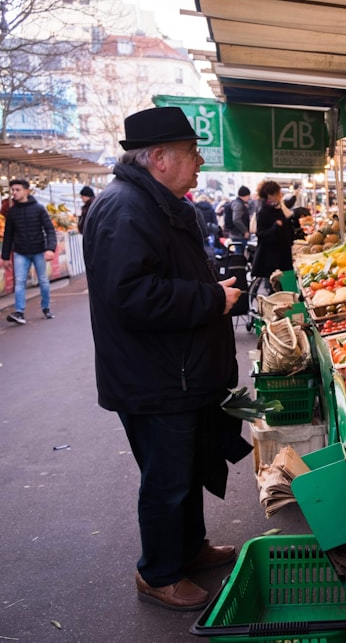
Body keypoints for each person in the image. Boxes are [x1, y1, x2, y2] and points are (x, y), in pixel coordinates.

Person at [82, 106, 248, 612]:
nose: (198, 162)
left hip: (177, 371)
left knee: (188, 466)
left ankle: (188, 549)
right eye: (191, 154)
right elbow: (130, 295)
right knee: (167, 479)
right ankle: (157, 573)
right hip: (154, 378)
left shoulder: (154, 202)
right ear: (158, 159)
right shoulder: (124, 209)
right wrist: (209, 299)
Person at [3, 178, 57, 324]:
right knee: (19, 282)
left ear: (26, 191)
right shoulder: (12, 212)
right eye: (12, 190)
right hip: (20, 252)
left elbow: (49, 230)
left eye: (17, 190)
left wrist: (50, 248)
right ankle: (19, 312)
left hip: (39, 250)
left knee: (44, 281)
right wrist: (5, 256)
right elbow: (8, 235)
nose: (14, 193)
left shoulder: (39, 208)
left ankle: (46, 308)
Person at [251, 180, 294, 293]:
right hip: (272, 257)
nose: (281, 195)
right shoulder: (263, 210)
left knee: (285, 287)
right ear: (271, 195)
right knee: (275, 287)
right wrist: (275, 227)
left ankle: (288, 308)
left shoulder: (277, 207)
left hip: (282, 254)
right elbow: (260, 234)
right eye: (278, 193)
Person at [229, 185, 252, 254]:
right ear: (245, 195)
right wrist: (245, 231)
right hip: (239, 235)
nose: (249, 198)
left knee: (240, 254)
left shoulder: (238, 203)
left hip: (237, 234)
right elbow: (236, 219)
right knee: (239, 255)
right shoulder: (238, 204)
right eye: (248, 196)